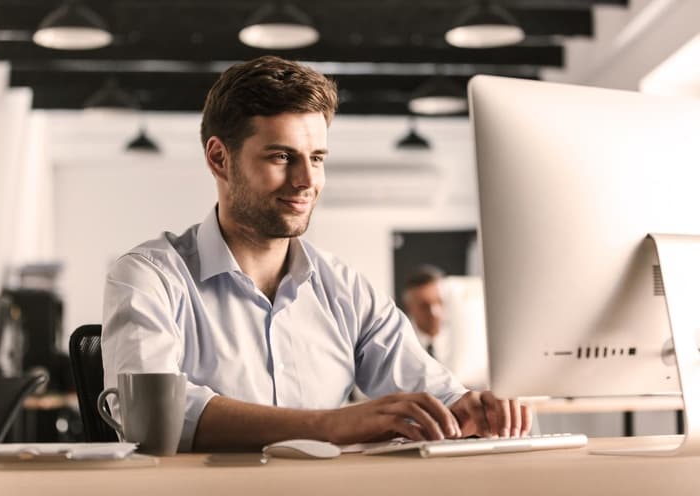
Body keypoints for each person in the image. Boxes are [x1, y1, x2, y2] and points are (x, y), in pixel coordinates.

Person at [102, 55, 531, 453]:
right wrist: (332, 425)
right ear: (219, 159)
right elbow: (152, 420)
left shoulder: (344, 288)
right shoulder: (149, 276)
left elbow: (435, 393)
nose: (307, 180)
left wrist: (469, 408)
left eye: (317, 157)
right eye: (282, 156)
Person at [402, 265, 447, 360]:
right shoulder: (401, 346)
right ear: (409, 307)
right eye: (424, 306)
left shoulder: (462, 340)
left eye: (439, 302)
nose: (434, 312)